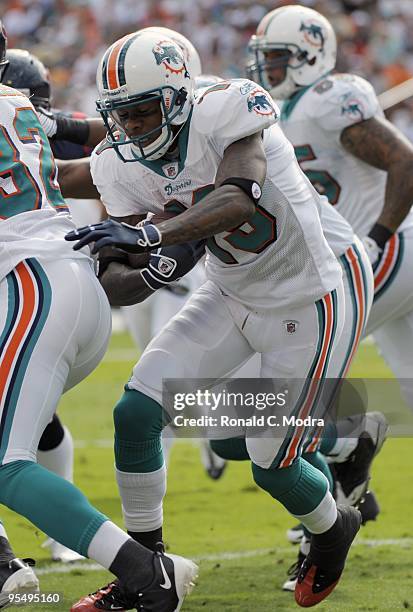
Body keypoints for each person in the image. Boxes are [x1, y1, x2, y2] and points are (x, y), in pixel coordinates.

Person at [66, 29, 363, 609]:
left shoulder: (228, 110)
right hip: (228, 294)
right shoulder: (119, 166)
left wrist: (152, 233)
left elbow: (237, 197)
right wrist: (146, 271)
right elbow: (116, 280)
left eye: (143, 112)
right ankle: (145, 572)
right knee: (135, 411)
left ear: (180, 95)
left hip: (306, 301)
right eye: (120, 117)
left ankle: (334, 528)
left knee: (272, 466)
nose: (130, 130)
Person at [0, 41, 197, 612]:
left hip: (33, 286)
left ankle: (146, 572)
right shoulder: (20, 103)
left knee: (7, 463)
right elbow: (93, 132)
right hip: (67, 282)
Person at [247, 4, 413, 411]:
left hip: (389, 247)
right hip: (361, 253)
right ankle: (348, 455)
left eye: (275, 56)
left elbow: (405, 161)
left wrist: (377, 238)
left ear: (308, 55)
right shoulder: (286, 111)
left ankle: (347, 446)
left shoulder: (330, 98)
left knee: (300, 361)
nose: (266, 66)